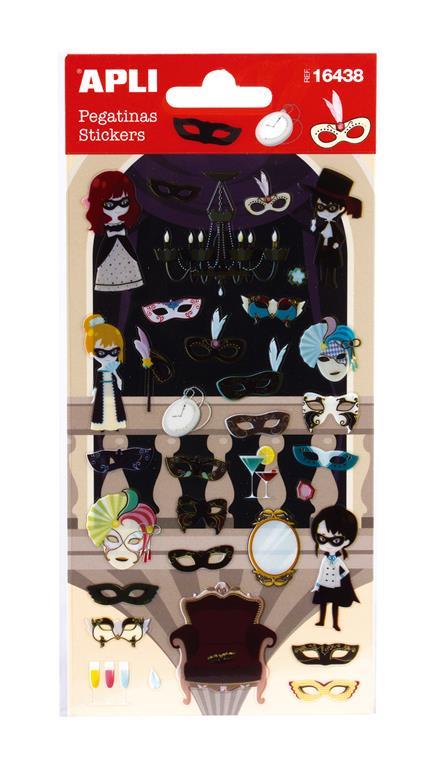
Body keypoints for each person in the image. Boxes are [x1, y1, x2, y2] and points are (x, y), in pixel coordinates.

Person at [85, 170, 144, 292]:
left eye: (123, 203)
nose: (118, 209)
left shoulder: (133, 229)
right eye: (110, 205)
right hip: (107, 262)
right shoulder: (97, 238)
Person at [310, 504, 359, 631]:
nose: (327, 544)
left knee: (334, 604)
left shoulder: (338, 560)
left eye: (335, 540)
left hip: (335, 584)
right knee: (323, 603)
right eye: (322, 538)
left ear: (346, 542)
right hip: (324, 584)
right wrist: (317, 585)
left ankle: (335, 623)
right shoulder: (325, 560)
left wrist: (341, 578)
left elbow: (345, 571)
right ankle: (321, 621)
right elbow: (321, 572)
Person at [84, 313, 126, 431]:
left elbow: (118, 380)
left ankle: (116, 424)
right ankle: (101, 425)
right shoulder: (99, 371)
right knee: (101, 408)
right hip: (102, 392)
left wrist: (118, 379)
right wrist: (94, 394)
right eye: (101, 353)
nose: (108, 357)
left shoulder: (113, 369)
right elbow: (96, 385)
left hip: (113, 391)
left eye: (114, 352)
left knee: (114, 406)